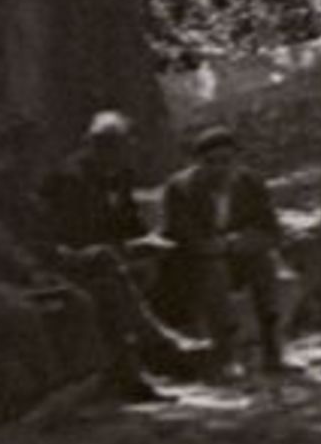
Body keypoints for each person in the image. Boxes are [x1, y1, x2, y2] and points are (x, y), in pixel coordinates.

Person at [18, 110, 208, 394]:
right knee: (110, 281)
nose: (120, 154)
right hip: (79, 256)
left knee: (178, 258)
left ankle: (171, 352)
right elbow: (76, 236)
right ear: (94, 147)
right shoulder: (69, 180)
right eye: (109, 147)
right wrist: (130, 248)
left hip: (112, 251)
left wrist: (148, 240)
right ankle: (154, 348)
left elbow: (129, 221)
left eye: (122, 147)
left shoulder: (121, 175)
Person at [148, 129, 300, 375]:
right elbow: (186, 237)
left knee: (264, 263)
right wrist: (221, 245)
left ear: (237, 160)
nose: (220, 168)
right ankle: (226, 356)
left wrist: (239, 242)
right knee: (214, 269)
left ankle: (273, 353)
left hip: (236, 255)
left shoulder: (251, 183)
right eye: (211, 162)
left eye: (226, 161)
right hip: (190, 265)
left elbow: (270, 231)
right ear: (198, 163)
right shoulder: (181, 188)